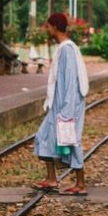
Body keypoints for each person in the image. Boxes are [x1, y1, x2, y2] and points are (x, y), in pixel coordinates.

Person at [33, 13, 89, 196]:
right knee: (44, 136)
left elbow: (71, 81)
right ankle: (51, 178)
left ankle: (80, 184)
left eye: (48, 26)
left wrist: (66, 111)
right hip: (58, 104)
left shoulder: (67, 50)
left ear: (55, 27)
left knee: (71, 140)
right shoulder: (63, 48)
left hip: (67, 105)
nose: (46, 30)